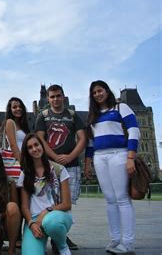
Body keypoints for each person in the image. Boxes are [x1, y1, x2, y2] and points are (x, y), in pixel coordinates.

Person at [84, 80, 139, 254]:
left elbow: (134, 130)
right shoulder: (93, 116)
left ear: (107, 91)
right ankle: (115, 239)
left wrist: (131, 156)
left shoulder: (120, 108)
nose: (97, 94)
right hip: (100, 157)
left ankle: (128, 242)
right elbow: (91, 143)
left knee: (122, 198)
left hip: (118, 154)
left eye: (100, 90)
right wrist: (88, 162)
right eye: (94, 92)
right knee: (109, 199)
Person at [34, 84, 85, 251]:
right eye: (52, 96)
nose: (55, 99)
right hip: (50, 166)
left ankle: (60, 236)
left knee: (66, 203)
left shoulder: (72, 115)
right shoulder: (43, 116)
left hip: (72, 165)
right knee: (53, 200)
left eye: (58, 96)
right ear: (48, 99)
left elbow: (82, 138)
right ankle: (57, 234)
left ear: (63, 97)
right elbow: (40, 139)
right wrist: (54, 157)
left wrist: (71, 156)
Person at [18, 133, 73, 255]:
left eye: (36, 145)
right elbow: (25, 206)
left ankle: (62, 247)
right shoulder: (25, 174)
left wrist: (47, 211)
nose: (34, 149)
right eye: (30, 147)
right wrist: (31, 224)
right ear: (27, 152)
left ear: (42, 145)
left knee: (50, 222)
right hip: (35, 220)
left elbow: (67, 204)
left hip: (57, 216)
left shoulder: (59, 170)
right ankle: (39, 246)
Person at [2, 97, 30, 181]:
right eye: (14, 107)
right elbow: (13, 145)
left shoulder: (23, 125)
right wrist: (23, 162)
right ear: (10, 110)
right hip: (16, 159)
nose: (18, 109)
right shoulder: (10, 122)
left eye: (20, 106)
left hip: (24, 158)